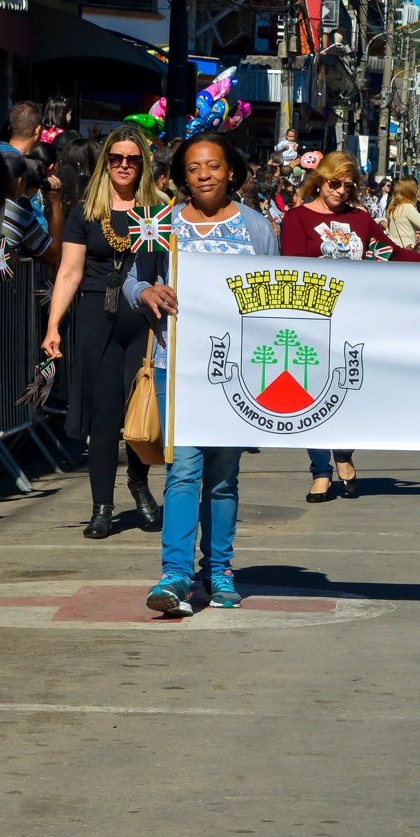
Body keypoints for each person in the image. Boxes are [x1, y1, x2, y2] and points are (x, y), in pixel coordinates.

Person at [126, 132, 281, 616]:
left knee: (222, 477)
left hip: (238, 374)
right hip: (179, 369)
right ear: (181, 177)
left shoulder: (257, 228)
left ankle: (219, 572)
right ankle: (174, 575)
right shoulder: (161, 224)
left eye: (213, 166)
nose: (204, 175)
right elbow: (133, 278)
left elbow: (279, 293)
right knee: (183, 471)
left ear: (231, 170)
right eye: (193, 169)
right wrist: (146, 294)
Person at [280, 151, 420, 501]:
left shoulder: (360, 220)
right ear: (320, 180)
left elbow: (389, 253)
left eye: (348, 185)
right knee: (312, 397)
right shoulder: (296, 217)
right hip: (313, 321)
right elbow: (293, 264)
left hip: (355, 321)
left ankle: (344, 453)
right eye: (335, 183)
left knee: (349, 393)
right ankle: (320, 470)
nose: (341, 191)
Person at [41, 123, 163, 538]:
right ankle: (102, 507)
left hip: (146, 322)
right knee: (105, 415)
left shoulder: (160, 210)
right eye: (117, 158)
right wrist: (53, 325)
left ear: (143, 163)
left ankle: (139, 482)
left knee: (141, 411)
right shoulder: (85, 212)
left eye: (133, 159)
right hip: (97, 316)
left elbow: (172, 270)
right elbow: (69, 273)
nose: (124, 165)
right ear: (105, 163)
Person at [384, 177, 420, 249]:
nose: (416, 192)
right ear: (409, 191)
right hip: (406, 249)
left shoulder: (392, 207)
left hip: (393, 249)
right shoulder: (407, 207)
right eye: (415, 189)